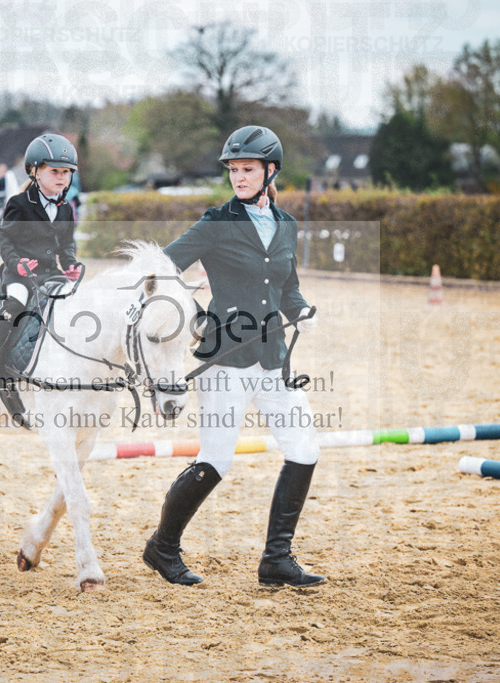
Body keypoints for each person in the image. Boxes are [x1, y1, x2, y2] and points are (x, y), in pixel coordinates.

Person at [143, 125, 325, 589]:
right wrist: (195, 312)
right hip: (225, 360)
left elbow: (287, 285)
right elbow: (164, 266)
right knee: (217, 459)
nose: (239, 177)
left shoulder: (287, 225)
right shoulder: (216, 224)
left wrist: (300, 310)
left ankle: (277, 559)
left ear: (269, 171)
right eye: (234, 170)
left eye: (247, 169)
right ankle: (163, 547)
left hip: (273, 359)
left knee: (304, 449)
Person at [0, 133, 84, 379]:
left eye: (67, 172)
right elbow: (3, 239)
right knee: (17, 301)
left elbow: (66, 245)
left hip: (50, 273)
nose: (62, 177)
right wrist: (18, 264)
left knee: (73, 301)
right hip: (18, 274)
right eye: (55, 171)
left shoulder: (65, 208)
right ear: (35, 172)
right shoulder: (19, 204)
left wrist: (70, 265)